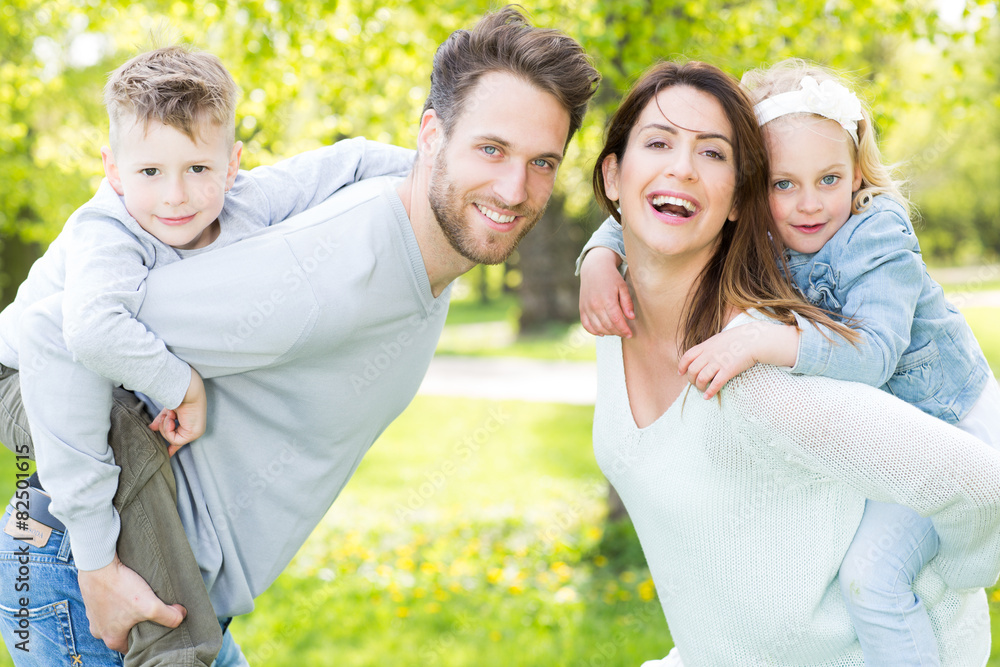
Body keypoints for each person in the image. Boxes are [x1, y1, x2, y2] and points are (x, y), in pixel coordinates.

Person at [0, 6, 600, 666]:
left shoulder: (423, 221)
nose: (514, 188)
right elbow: (54, 331)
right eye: (490, 149)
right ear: (432, 136)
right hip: (107, 580)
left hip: (182, 590)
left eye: (542, 161)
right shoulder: (326, 274)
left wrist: (605, 251)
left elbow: (349, 160)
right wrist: (93, 561)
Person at [0, 46, 415, 666]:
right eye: (149, 173)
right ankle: (173, 647)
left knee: (133, 425)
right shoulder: (109, 231)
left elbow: (349, 159)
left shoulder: (249, 198)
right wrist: (181, 386)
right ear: (113, 172)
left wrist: (451, 179)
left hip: (86, 403)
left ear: (233, 163)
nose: (175, 195)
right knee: (129, 430)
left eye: (198, 168)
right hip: (16, 385)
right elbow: (85, 329)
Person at [577, 59, 1000, 665]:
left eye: (829, 179)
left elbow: (883, 363)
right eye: (782, 183)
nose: (807, 204)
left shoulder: (868, 249)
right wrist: (596, 255)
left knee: (875, 577)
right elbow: (663, 209)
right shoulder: (624, 304)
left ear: (856, 175)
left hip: (953, 414)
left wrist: (951, 575)